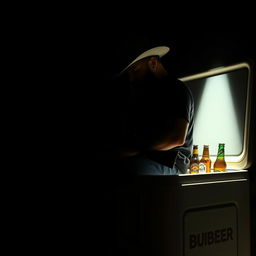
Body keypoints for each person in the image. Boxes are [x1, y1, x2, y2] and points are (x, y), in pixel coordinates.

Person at [103, 44, 195, 176]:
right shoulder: (146, 95)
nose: (132, 78)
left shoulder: (176, 90)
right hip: (148, 159)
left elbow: (176, 138)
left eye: (135, 71)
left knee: (129, 169)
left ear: (152, 63)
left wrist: (135, 149)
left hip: (172, 163)